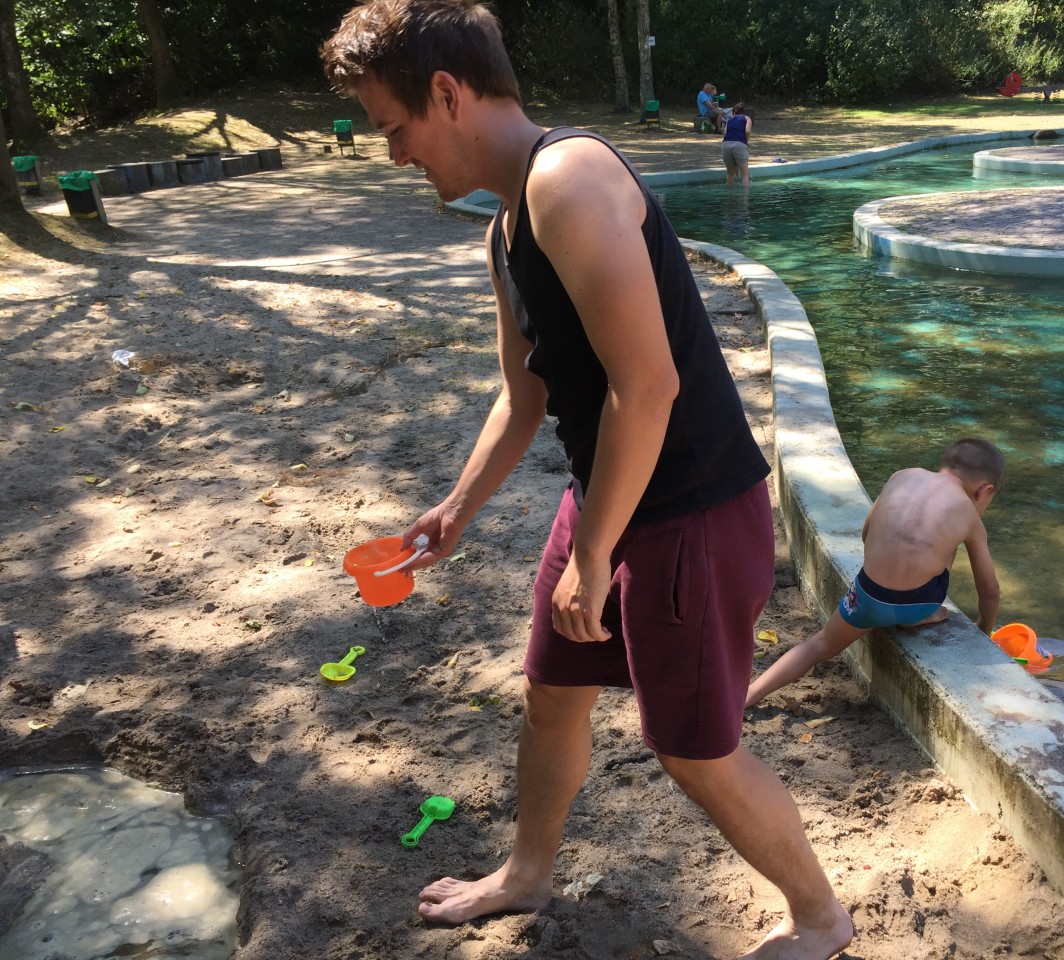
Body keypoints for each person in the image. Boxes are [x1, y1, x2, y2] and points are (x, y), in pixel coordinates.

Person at [320, 3, 853, 958]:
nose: (394, 155)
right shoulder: (506, 225)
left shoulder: (571, 179)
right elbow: (525, 397)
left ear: (447, 93)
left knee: (693, 750)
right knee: (552, 691)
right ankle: (525, 874)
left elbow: (647, 387)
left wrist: (595, 555)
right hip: (607, 495)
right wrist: (459, 508)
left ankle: (821, 917)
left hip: (689, 510)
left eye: (394, 128)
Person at [746, 437, 1004, 709]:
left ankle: (750, 695)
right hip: (918, 604)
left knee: (819, 644)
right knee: (947, 546)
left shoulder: (902, 476)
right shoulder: (968, 514)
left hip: (867, 596)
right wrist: (983, 631)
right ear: (984, 491)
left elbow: (867, 533)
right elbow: (989, 590)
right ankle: (915, 617)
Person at [722, 102, 751, 186]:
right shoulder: (747, 118)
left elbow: (725, 132)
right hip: (739, 144)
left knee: (730, 174)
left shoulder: (730, 120)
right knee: (745, 174)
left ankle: (729, 197)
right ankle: (745, 198)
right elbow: (748, 131)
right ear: (744, 112)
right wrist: (746, 141)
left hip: (726, 144)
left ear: (734, 112)